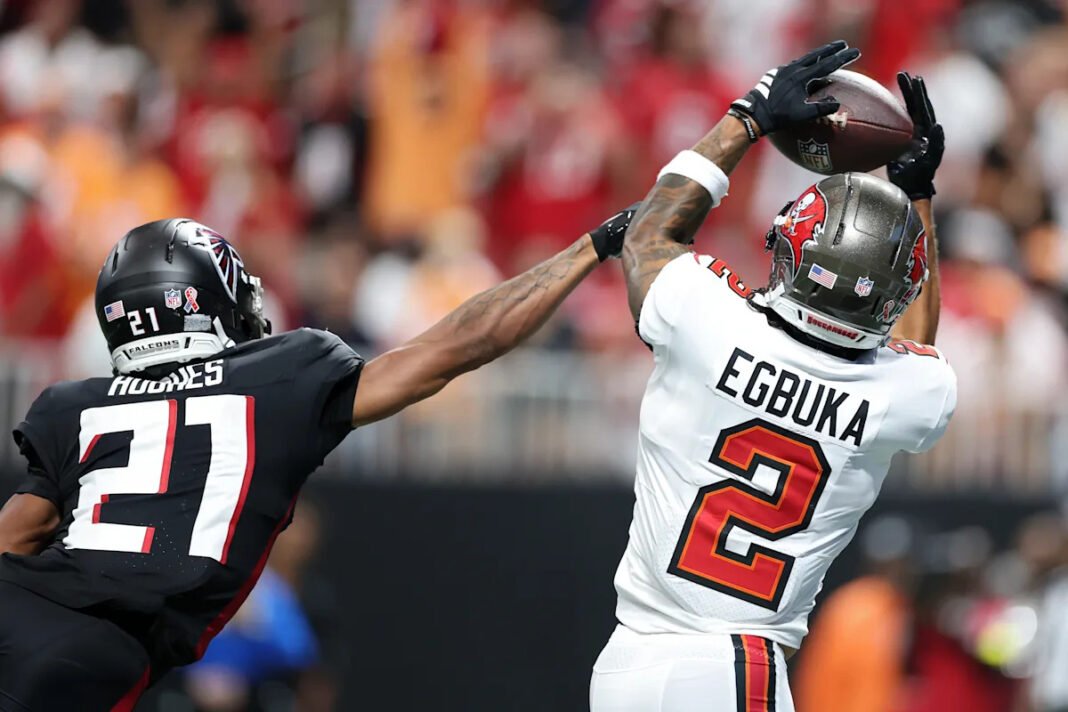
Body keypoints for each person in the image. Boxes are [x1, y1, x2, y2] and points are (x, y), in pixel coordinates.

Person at [0, 203, 637, 710]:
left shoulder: (75, 404)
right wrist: (592, 247)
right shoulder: (280, 377)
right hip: (90, 657)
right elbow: (455, 346)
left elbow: (16, 535)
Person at [590, 41, 957, 712]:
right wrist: (917, 198)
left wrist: (749, 116)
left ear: (788, 248)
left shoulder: (705, 319)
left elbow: (647, 237)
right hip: (733, 660)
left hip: (628, 659)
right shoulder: (904, 396)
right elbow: (915, 345)